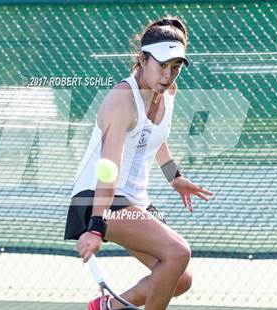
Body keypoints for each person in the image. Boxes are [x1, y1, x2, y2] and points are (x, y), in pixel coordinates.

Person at [64, 16, 214, 310]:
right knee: (178, 251)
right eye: (162, 65)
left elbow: (156, 138)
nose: (168, 75)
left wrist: (175, 176)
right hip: (99, 198)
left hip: (135, 200)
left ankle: (108, 308)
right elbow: (108, 168)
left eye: (176, 67)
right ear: (143, 59)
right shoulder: (121, 99)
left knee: (180, 278)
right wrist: (96, 226)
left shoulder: (166, 93)